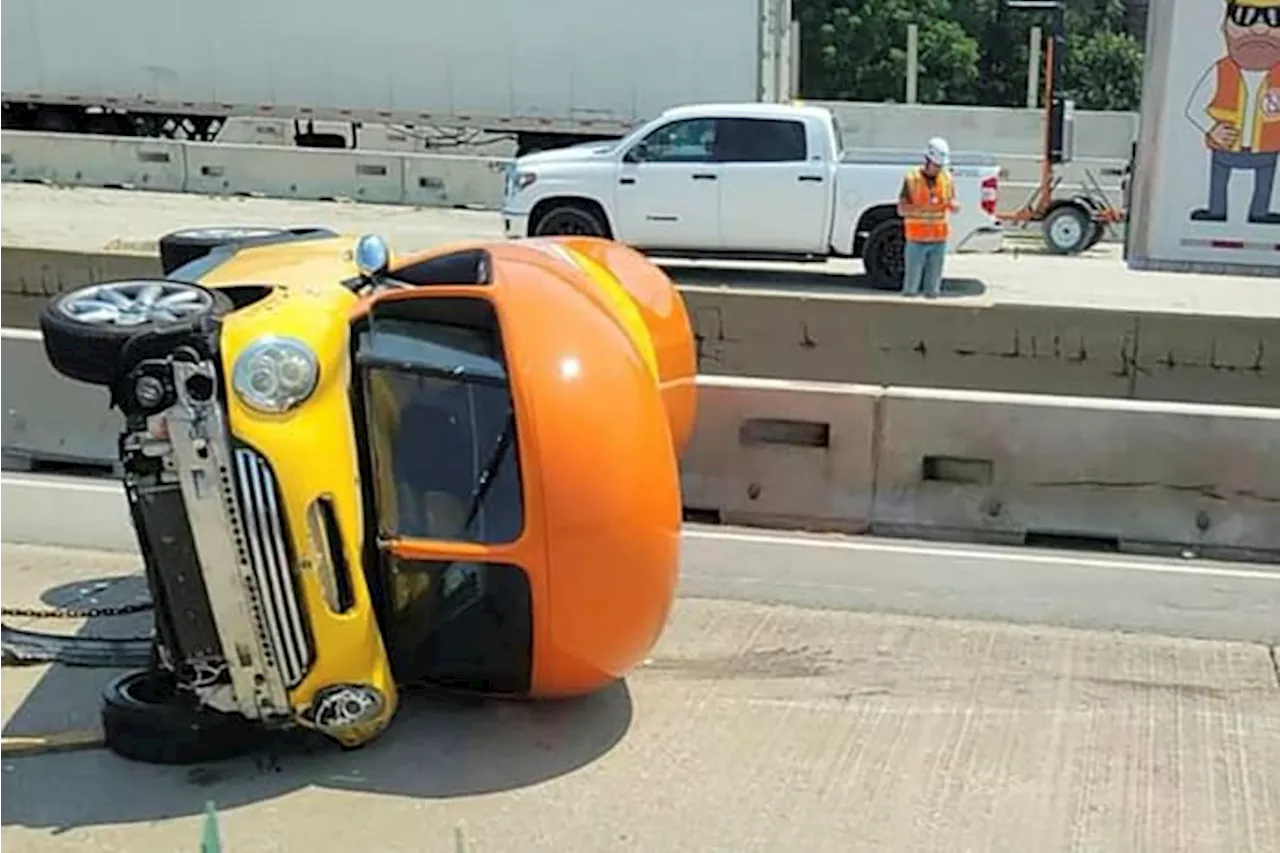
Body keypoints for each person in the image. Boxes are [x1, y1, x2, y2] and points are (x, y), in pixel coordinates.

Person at [1185, 0, 1280, 225]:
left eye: (1275, 19)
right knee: (1219, 178)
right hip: (1226, 145)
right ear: (1225, 28)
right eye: (1244, 16)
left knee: (1264, 180)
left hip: (1266, 147)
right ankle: (1217, 210)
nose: (1260, 29)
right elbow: (1194, 107)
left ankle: (1259, 212)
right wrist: (1212, 128)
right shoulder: (1220, 71)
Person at [897, 137, 959, 298]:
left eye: (940, 166)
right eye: (936, 165)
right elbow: (901, 209)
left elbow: (952, 200)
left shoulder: (946, 179)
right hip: (916, 239)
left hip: (938, 239)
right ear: (927, 161)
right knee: (911, 287)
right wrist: (921, 207)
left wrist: (953, 206)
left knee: (933, 290)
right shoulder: (912, 179)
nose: (938, 169)